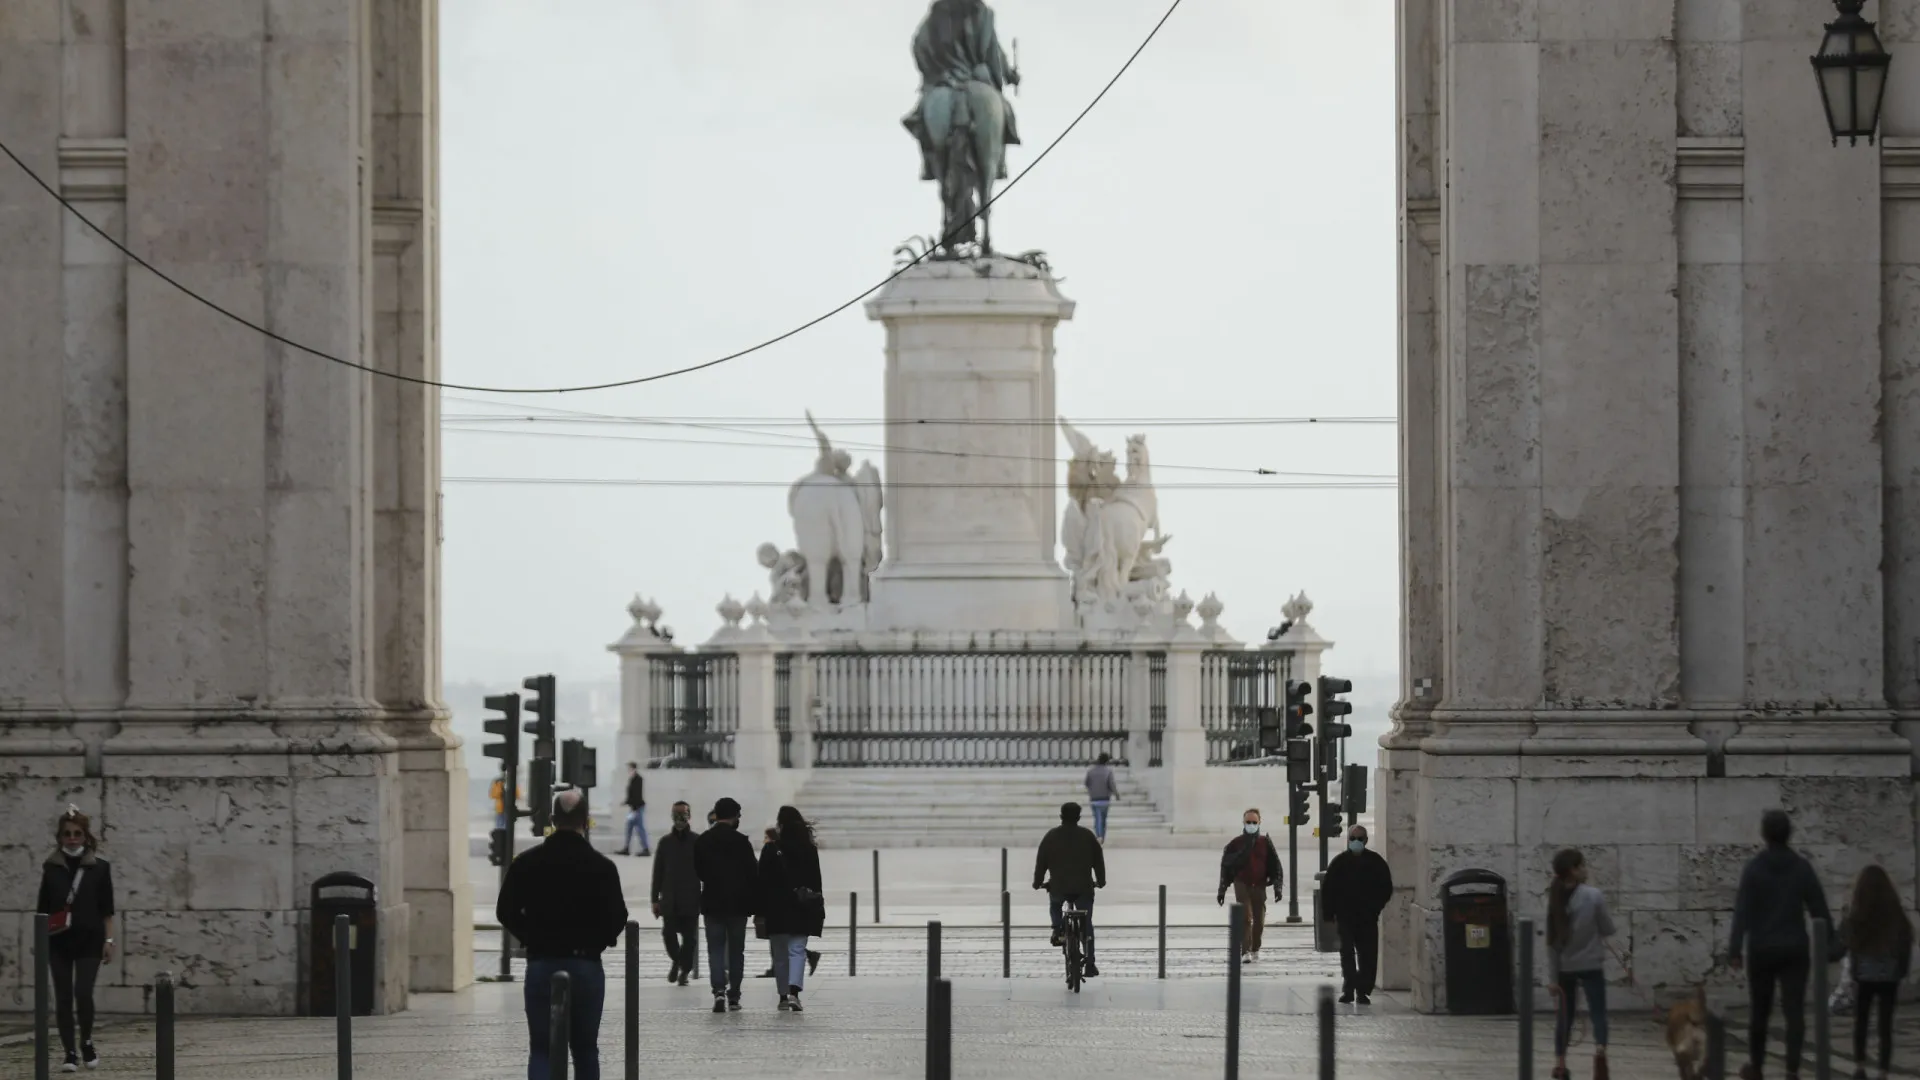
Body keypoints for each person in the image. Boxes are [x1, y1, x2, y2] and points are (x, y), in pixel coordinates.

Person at [496, 789, 630, 1080]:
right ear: (586, 821)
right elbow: (618, 916)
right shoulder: (602, 867)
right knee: (585, 1049)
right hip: (586, 963)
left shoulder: (527, 863)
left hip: (542, 961)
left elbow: (505, 910)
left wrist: (530, 937)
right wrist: (599, 940)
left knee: (542, 1049)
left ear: (553, 819)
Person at [1730, 809, 1833, 1080]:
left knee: (1759, 1012)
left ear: (1764, 834)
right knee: (1794, 1011)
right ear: (1789, 833)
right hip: (1794, 948)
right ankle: (1792, 1069)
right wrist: (1831, 942)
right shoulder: (1801, 867)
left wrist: (1734, 949)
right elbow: (1818, 907)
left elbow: (1742, 911)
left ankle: (1758, 1067)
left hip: (1761, 948)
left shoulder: (1754, 868)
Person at [36, 807, 115, 1072]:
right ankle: (69, 1051)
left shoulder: (100, 868)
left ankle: (87, 1042)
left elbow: (107, 909)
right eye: (67, 834)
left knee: (83, 992)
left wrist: (110, 940)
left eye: (77, 833)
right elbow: (42, 909)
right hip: (59, 940)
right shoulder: (51, 867)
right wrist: (41, 941)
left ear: (85, 836)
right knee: (63, 996)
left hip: (90, 939)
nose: (72, 838)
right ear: (60, 836)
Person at [1545, 848, 1615, 1080]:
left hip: (1565, 967)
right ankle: (1600, 1059)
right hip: (1592, 964)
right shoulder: (1594, 895)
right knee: (1598, 1013)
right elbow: (1607, 928)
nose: (1586, 869)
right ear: (1574, 870)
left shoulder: (1555, 898)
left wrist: (1553, 979)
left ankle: (1560, 1065)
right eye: (1582, 865)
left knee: (1565, 1018)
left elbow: (1552, 942)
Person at [1840, 863, 1912, 1079]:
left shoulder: (1858, 913)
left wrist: (1853, 971)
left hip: (1864, 975)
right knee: (1885, 1024)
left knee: (1861, 1021)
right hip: (1889, 975)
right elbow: (1905, 942)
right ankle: (1883, 1070)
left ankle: (1860, 1066)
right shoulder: (1895, 912)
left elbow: (1850, 944)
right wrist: (1901, 969)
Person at [759, 806, 827, 1012]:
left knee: (780, 954)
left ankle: (781, 996)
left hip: (777, 908)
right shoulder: (809, 849)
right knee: (797, 951)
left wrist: (759, 909)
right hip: (801, 907)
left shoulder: (771, 849)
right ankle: (794, 994)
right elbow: (816, 880)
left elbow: (761, 880)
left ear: (781, 825)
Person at [695, 797, 759, 1012]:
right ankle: (734, 995)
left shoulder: (703, 840)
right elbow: (753, 874)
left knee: (715, 950)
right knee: (736, 951)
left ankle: (719, 991)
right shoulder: (741, 842)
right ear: (733, 816)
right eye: (738, 815)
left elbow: (699, 871)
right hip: (737, 905)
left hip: (712, 902)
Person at [1322, 824, 1393, 1004]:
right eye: (1352, 839)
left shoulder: (1376, 862)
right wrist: (1329, 914)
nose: (1356, 842)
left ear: (1366, 841)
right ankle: (1349, 988)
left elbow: (1386, 888)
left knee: (1367, 955)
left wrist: (1375, 908)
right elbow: (1329, 889)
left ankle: (1363, 990)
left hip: (1367, 918)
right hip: (1345, 917)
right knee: (1346, 953)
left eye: (1359, 839)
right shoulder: (1339, 862)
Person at [1034, 802, 1106, 977]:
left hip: (1058, 887)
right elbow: (1098, 860)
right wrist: (1101, 881)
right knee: (1087, 924)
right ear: (1079, 818)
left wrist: (1038, 882)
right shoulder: (1088, 836)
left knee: (1055, 904)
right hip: (1083, 888)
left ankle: (1058, 929)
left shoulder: (1051, 836)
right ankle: (1090, 964)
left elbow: (1041, 861)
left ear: (1061, 817)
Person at [1217, 808, 1283, 964]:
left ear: (1260, 822)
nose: (1251, 825)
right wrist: (1222, 890)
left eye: (1254, 822)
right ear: (1243, 822)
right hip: (1242, 883)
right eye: (1248, 822)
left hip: (1259, 884)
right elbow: (1226, 866)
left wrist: (1277, 886)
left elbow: (1275, 866)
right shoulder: (1236, 843)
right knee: (1246, 918)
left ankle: (1255, 948)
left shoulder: (1265, 843)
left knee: (1259, 920)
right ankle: (1245, 950)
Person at [650, 800, 700, 986]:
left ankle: (684, 971)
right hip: (669, 899)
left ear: (689, 816)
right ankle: (677, 961)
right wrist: (654, 899)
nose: (680, 818)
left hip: (690, 898)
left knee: (690, 940)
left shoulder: (697, 841)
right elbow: (658, 872)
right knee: (668, 935)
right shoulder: (665, 843)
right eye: (676, 814)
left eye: (683, 814)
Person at [1084, 753, 1120, 844]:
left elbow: (1086, 783)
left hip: (1094, 799)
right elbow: (1112, 784)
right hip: (1105, 799)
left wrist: (1092, 791)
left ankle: (1098, 836)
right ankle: (1102, 837)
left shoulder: (1090, 771)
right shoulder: (1108, 771)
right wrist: (1116, 795)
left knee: (1097, 818)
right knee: (1103, 819)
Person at [619, 762, 650, 857]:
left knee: (640, 828)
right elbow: (631, 794)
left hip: (637, 808)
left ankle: (646, 849)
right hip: (633, 808)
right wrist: (626, 802)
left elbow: (637, 795)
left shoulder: (638, 779)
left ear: (634, 768)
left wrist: (634, 808)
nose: (628, 771)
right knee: (629, 827)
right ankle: (626, 848)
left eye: (629, 768)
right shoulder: (632, 779)